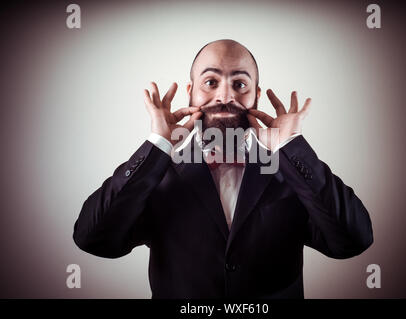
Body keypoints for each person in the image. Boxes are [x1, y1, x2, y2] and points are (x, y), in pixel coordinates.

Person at [73, 39, 373, 298]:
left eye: (240, 84)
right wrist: (158, 144)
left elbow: (352, 241)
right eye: (211, 82)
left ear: (256, 93)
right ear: (191, 91)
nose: (225, 97)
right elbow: (94, 239)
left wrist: (291, 145)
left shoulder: (289, 168)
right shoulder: (158, 170)